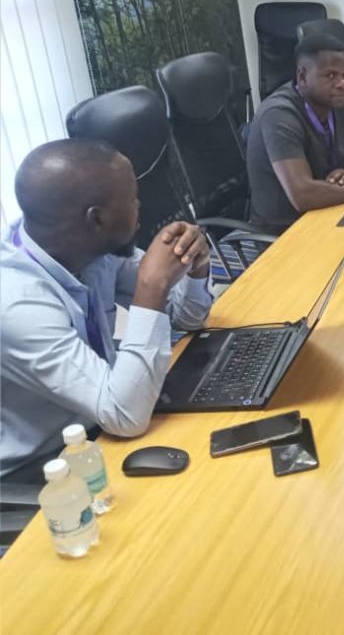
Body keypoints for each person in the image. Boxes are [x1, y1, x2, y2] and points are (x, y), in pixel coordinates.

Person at [1, 139, 214, 480]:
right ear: (96, 218)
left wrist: (195, 265)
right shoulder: (17, 305)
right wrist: (151, 287)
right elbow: (125, 416)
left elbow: (186, 318)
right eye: (131, 198)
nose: (140, 204)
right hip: (47, 467)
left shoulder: (90, 249)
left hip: (111, 412)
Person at [246, 34, 344, 232]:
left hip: (330, 209)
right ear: (302, 77)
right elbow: (303, 195)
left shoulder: (335, 101)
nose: (343, 84)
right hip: (287, 230)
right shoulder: (279, 114)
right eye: (331, 75)